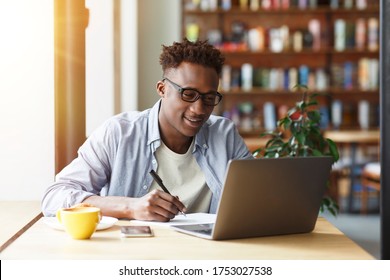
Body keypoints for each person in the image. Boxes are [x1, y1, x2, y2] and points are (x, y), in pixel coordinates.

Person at [42, 39, 253, 221]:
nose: (199, 109)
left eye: (209, 98)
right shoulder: (119, 133)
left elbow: (257, 197)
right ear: (162, 89)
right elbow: (54, 197)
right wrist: (130, 207)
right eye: (188, 94)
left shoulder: (224, 135)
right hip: (135, 255)